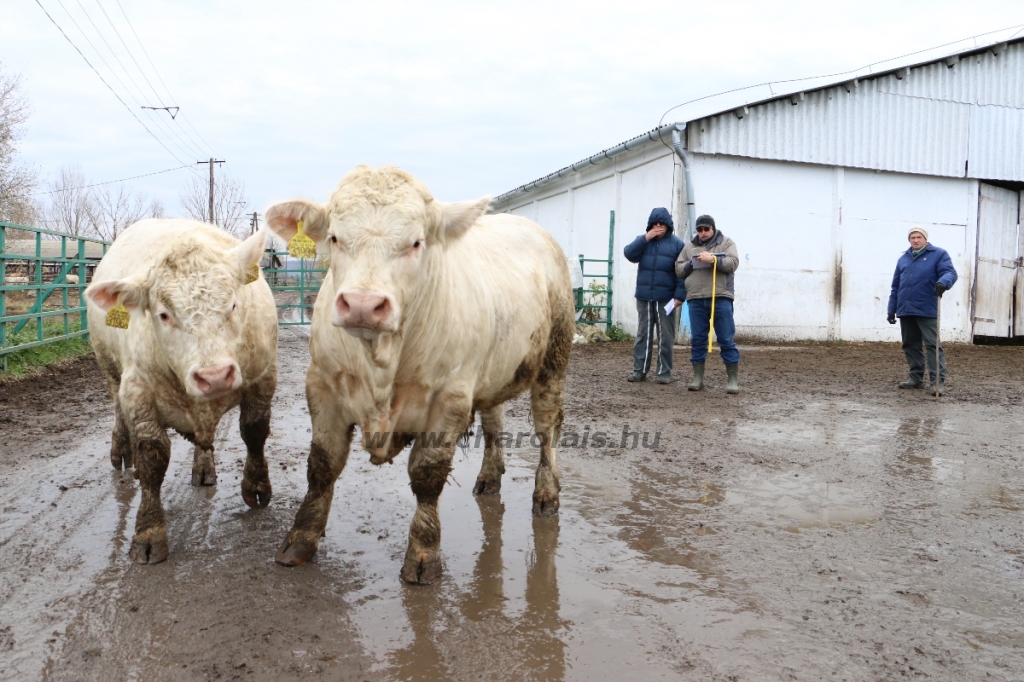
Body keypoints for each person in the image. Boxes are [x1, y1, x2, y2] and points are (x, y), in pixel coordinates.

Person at [674, 214, 740, 394]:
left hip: (721, 297)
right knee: (698, 340)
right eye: (700, 229)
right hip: (695, 298)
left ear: (713, 228)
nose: (703, 233)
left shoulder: (726, 243)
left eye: (706, 229)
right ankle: (698, 379)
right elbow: (678, 269)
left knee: (726, 339)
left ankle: (732, 380)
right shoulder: (689, 247)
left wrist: (713, 260)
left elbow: (733, 263)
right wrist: (690, 263)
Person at [887, 227, 957, 395]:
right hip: (906, 308)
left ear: (925, 239)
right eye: (912, 237)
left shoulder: (939, 254)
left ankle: (937, 382)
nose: (916, 240)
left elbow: (950, 272)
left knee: (933, 345)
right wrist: (892, 309)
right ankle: (916, 378)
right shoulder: (903, 259)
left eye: (919, 237)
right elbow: (896, 285)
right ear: (909, 240)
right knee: (910, 344)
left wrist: (944, 282)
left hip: (926, 307)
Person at [623, 207, 686, 384]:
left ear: (668, 225)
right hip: (644, 296)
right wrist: (645, 238)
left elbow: (682, 273)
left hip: (666, 298)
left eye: (662, 223)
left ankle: (664, 372)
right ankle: (639, 370)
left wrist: (679, 296)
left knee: (666, 335)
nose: (659, 226)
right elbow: (629, 254)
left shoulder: (677, 245)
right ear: (651, 225)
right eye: (655, 223)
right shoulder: (643, 241)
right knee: (643, 334)